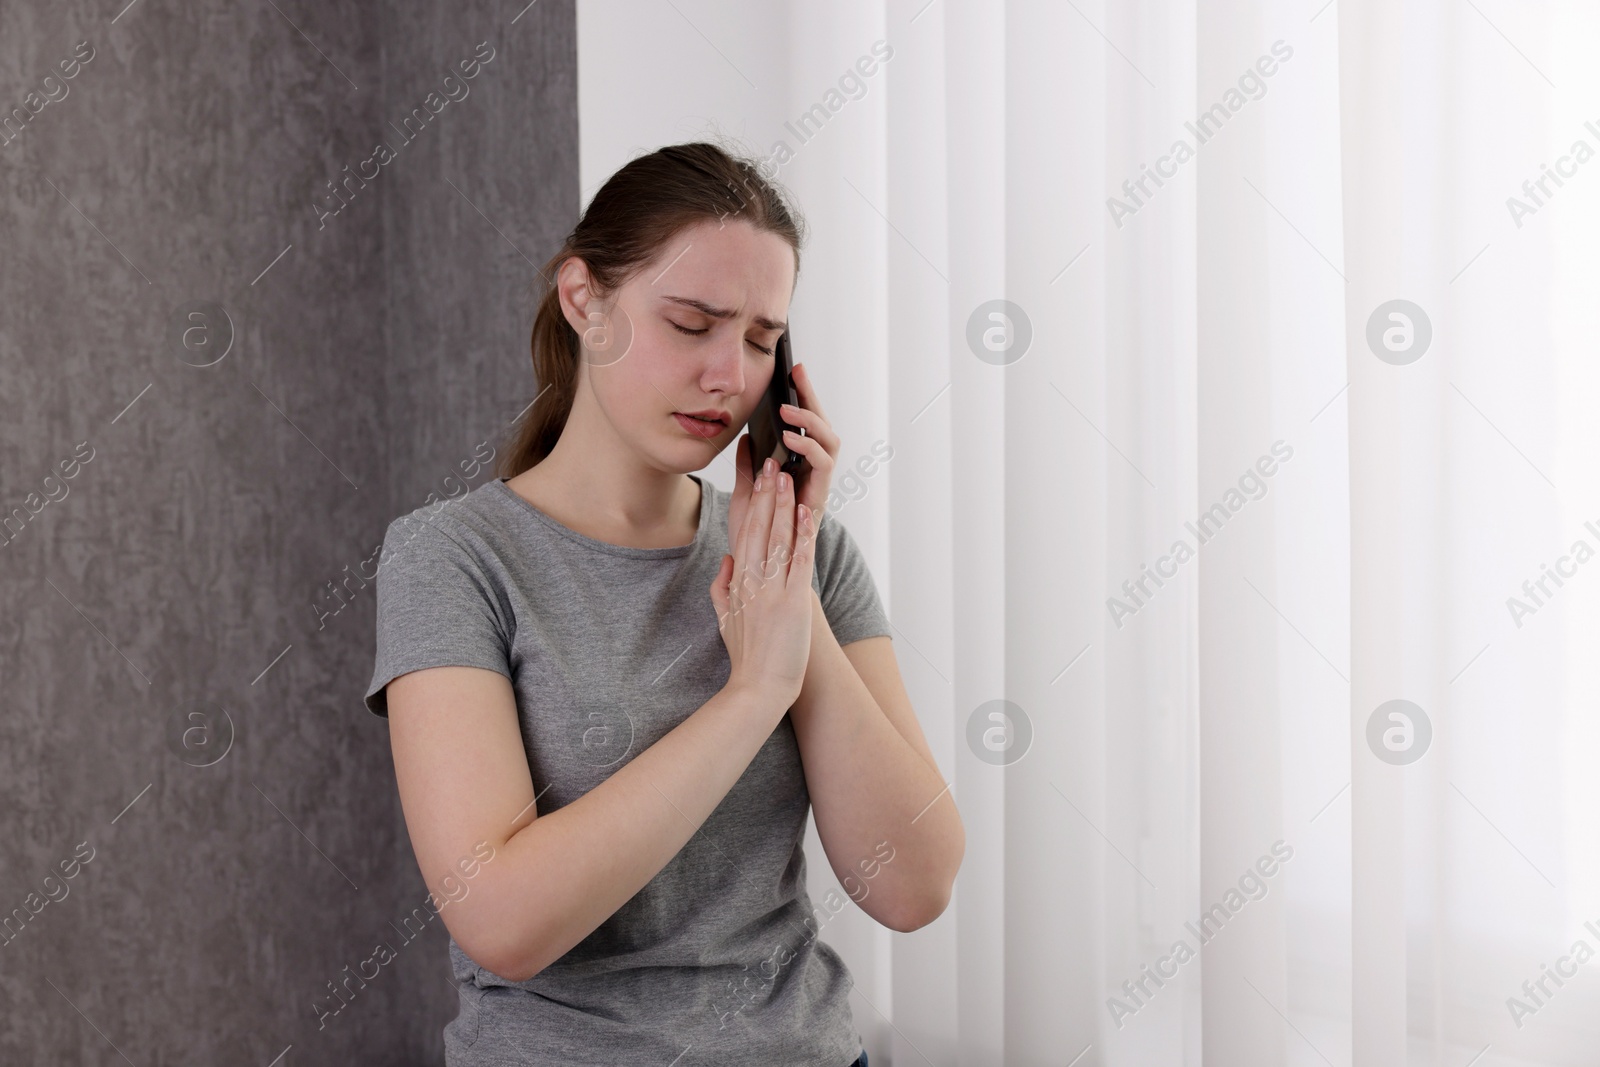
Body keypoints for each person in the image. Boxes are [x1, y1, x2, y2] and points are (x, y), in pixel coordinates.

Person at [364, 141, 964, 1066]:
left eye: (763, 340)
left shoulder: (808, 559)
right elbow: (504, 920)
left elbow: (915, 887)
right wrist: (754, 691)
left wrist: (792, 601)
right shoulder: (453, 558)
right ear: (585, 302)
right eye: (692, 323)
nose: (731, 375)